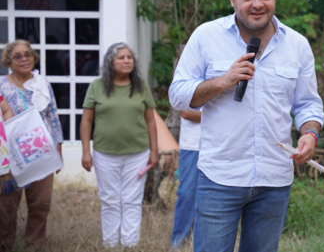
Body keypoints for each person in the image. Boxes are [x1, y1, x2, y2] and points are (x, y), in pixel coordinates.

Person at [169, 0, 324, 252]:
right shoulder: (206, 36)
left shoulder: (297, 45)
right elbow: (177, 95)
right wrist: (223, 81)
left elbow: (308, 106)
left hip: (274, 180)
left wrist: (310, 134)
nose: (258, 4)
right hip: (220, 177)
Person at [80, 43, 159, 248]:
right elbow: (87, 121)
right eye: (121, 57)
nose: (127, 61)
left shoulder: (141, 86)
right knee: (110, 201)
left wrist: (154, 151)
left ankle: (129, 245)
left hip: (138, 154)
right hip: (104, 154)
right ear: (110, 62)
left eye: (129, 57)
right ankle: (110, 245)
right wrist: (86, 152)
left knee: (132, 200)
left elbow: (151, 121)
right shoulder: (96, 86)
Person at [0, 39, 64, 251]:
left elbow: (53, 116)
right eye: (17, 56)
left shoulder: (42, 83)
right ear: (9, 60)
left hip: (42, 154)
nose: (24, 59)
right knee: (7, 207)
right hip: (12, 157)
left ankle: (33, 247)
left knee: (41, 204)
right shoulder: (2, 85)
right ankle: (5, 245)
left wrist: (58, 149)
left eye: (27, 54)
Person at [170, 109, 201, 249]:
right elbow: (187, 113)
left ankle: (198, 243)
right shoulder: (188, 85)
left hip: (223, 146)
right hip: (193, 146)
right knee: (187, 194)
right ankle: (178, 244)